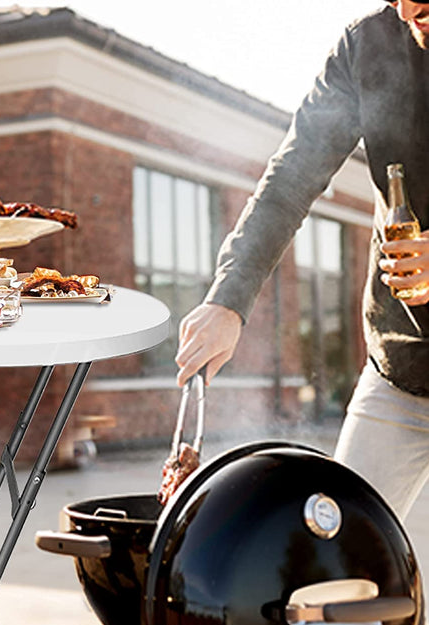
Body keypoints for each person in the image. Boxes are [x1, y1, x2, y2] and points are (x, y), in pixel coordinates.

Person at [176, 0, 429, 522]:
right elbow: (289, 182)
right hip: (402, 369)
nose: (407, 8)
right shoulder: (366, 46)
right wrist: (229, 297)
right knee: (344, 565)